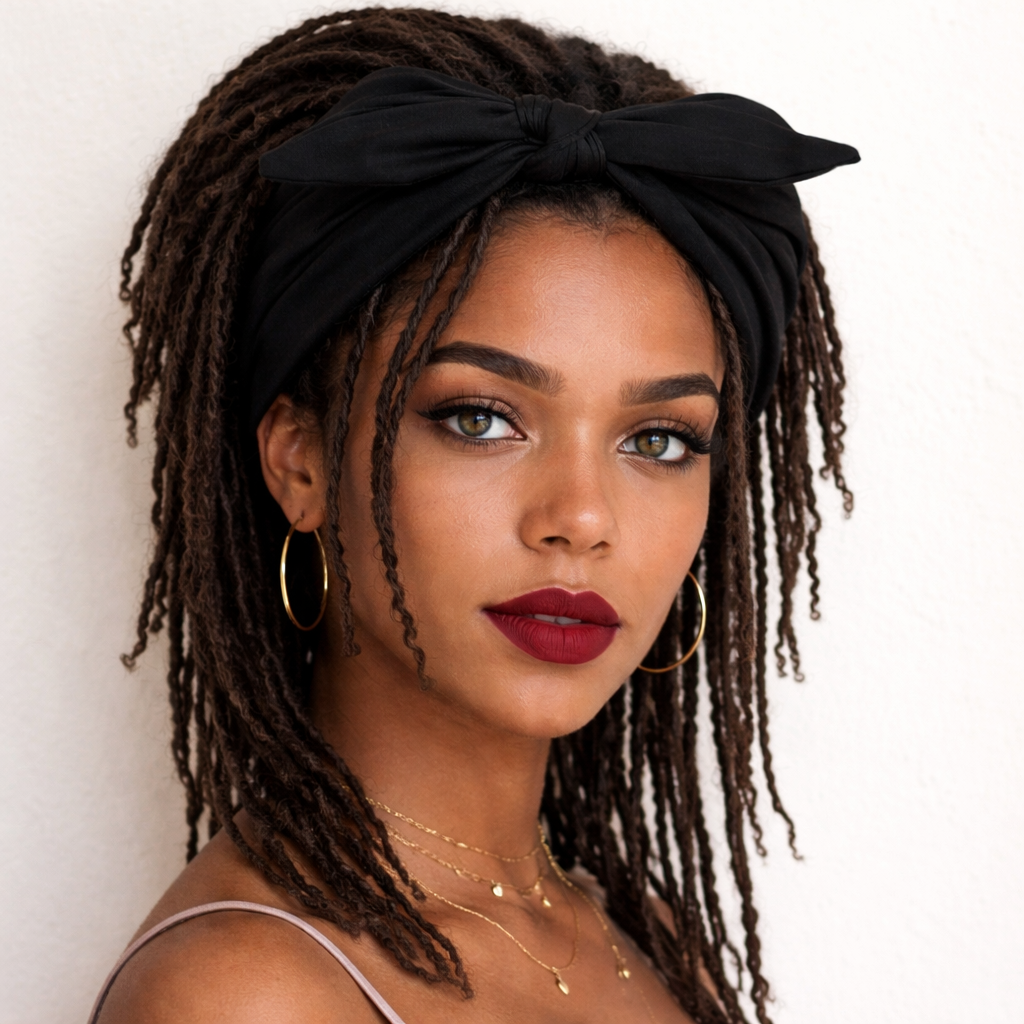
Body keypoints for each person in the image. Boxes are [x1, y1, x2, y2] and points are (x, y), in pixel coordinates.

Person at [90, 8, 858, 1023]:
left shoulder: (652, 942)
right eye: (480, 418)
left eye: (659, 439)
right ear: (300, 459)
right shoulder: (248, 993)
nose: (581, 517)